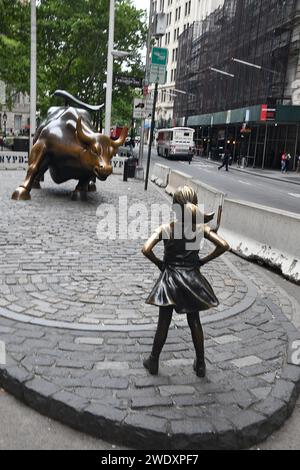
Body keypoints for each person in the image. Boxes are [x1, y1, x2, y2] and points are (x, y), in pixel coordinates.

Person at [142, 186, 230, 378]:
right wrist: (201, 261)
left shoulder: (166, 229)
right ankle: (200, 364)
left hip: (170, 279)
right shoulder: (200, 229)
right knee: (194, 321)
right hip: (192, 279)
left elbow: (146, 249)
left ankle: (154, 360)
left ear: (175, 208)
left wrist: (160, 264)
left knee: (163, 323)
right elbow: (224, 245)